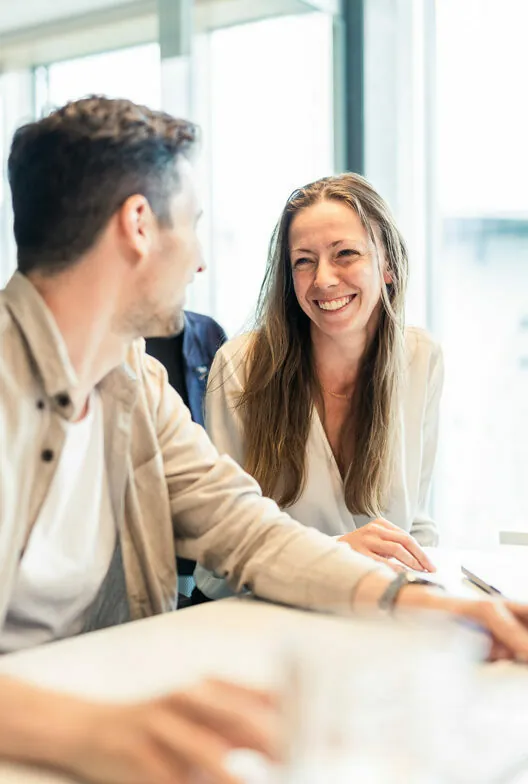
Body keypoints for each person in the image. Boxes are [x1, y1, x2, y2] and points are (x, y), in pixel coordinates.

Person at [1, 97, 528, 784]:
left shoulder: (136, 382)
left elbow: (248, 530)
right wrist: (97, 730)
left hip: (103, 694)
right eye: (191, 226)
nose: (197, 263)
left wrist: (436, 605)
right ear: (138, 225)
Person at [195, 173, 440, 600]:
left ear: (388, 266)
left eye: (345, 254)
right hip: (271, 626)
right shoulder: (240, 366)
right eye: (304, 261)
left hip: (376, 621)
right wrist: (329, 559)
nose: (323, 279)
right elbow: (216, 565)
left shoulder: (421, 358)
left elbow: (417, 526)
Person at [146, 312, 227, 600]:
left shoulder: (207, 332)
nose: (200, 267)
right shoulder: (122, 351)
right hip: (142, 517)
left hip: (198, 505)